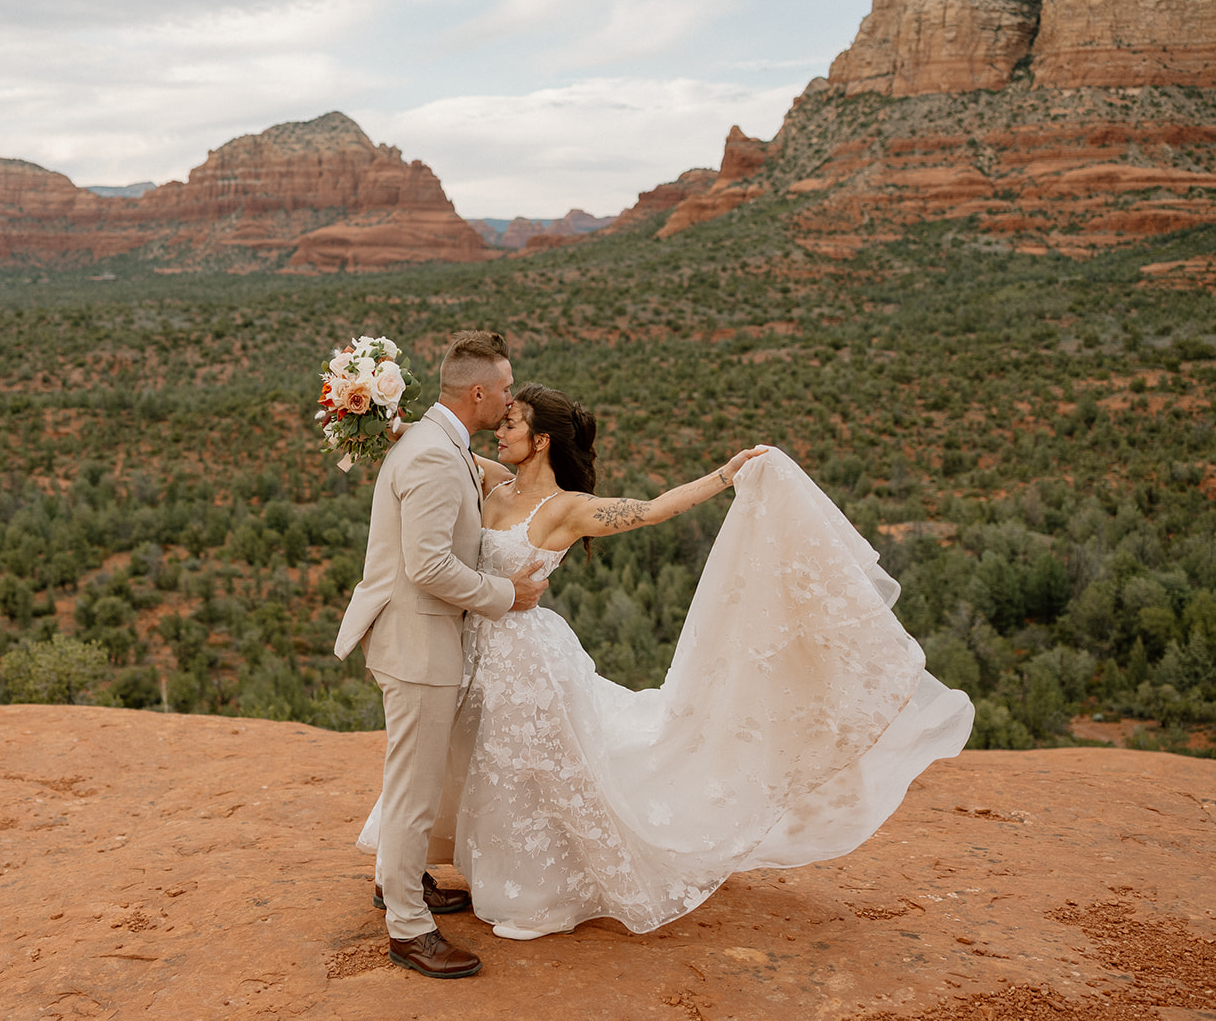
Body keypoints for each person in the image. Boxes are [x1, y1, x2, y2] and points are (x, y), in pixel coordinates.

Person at [359, 383, 975, 941]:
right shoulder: (492, 480)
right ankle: (409, 868)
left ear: (541, 439)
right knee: (457, 755)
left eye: (512, 423)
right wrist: (370, 404)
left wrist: (723, 475)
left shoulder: (566, 508)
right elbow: (438, 445)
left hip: (524, 660)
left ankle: (532, 887)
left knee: (523, 771)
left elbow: (651, 509)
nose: (500, 430)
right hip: (472, 649)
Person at [334, 332, 549, 978]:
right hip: (417, 640)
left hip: (415, 636)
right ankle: (407, 926)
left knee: (412, 778)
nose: (511, 399)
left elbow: (458, 484)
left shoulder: (438, 443)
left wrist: (497, 472)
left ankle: (395, 881)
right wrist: (505, 594)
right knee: (415, 788)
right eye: (506, 389)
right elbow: (428, 564)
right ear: (478, 392)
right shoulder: (431, 455)